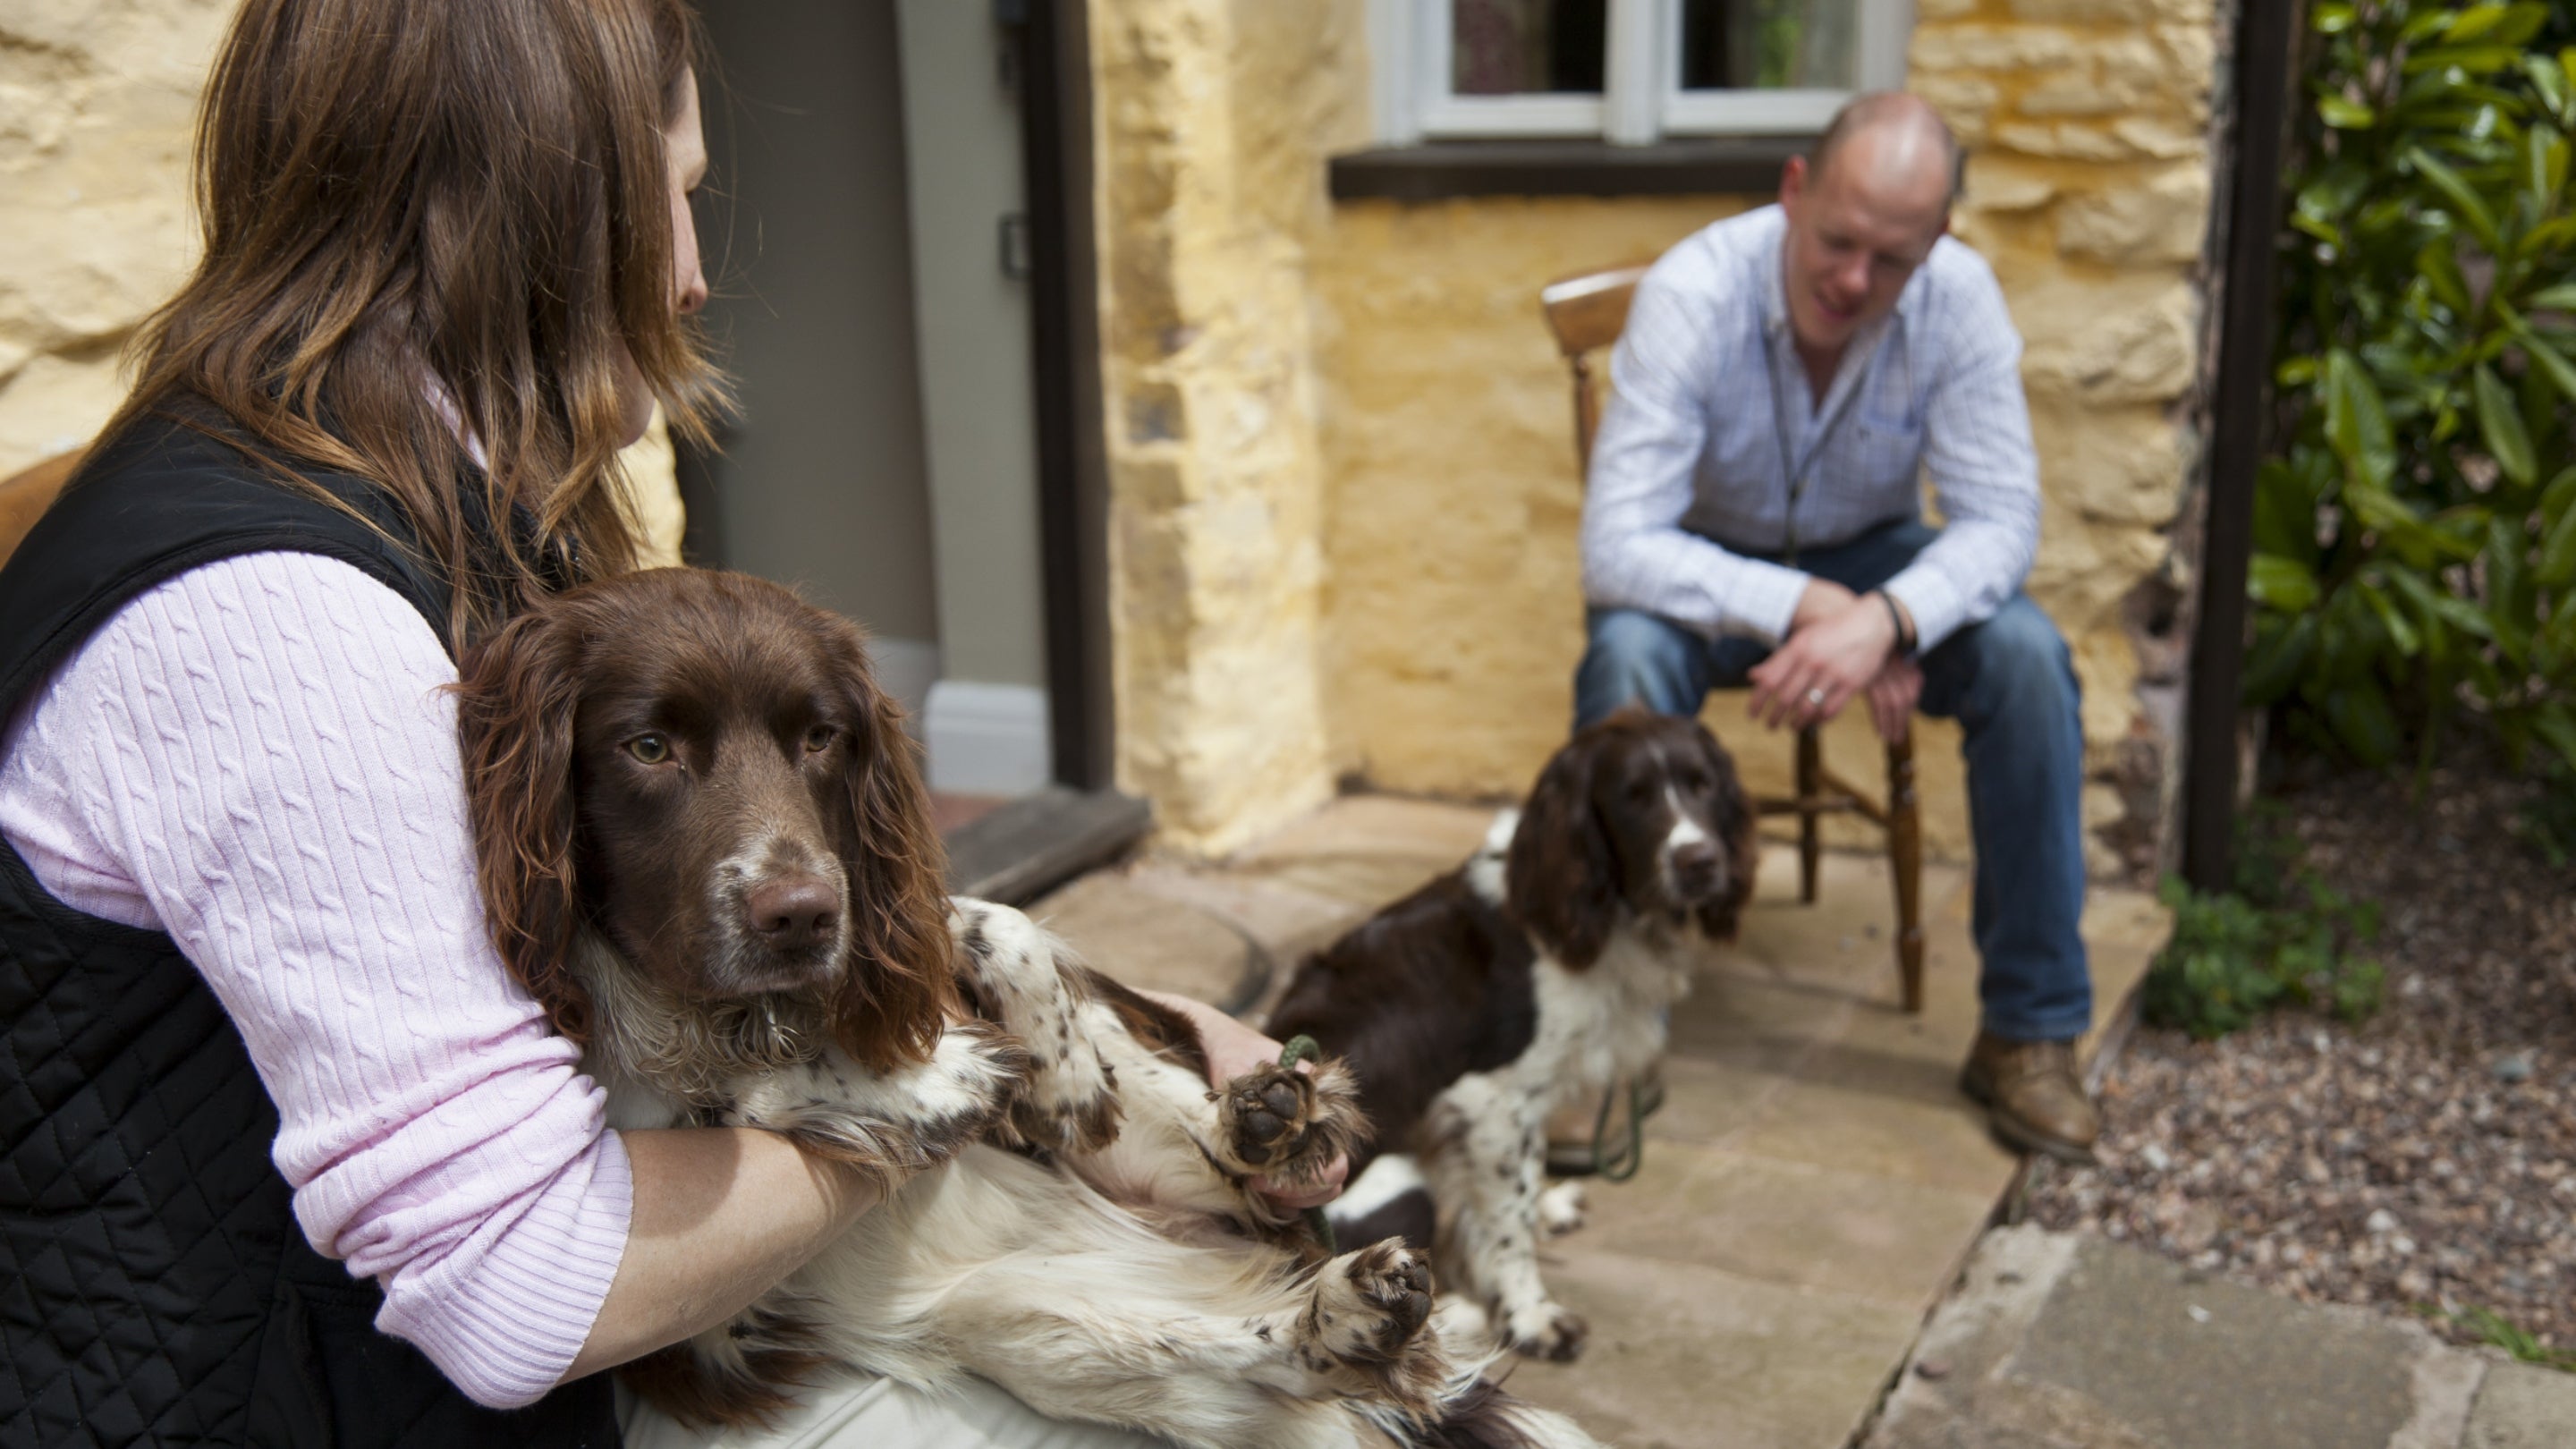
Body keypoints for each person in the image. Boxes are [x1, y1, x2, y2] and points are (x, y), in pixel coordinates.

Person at [0, 3, 1329, 1445]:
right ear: (540, 216)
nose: (693, 280)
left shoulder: (439, 502)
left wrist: (1134, 1039)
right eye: (676, 202)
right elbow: (528, 1290)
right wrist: (960, 1089)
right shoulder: (273, 616)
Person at [1572, 92, 2098, 1165]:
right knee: (1625, 656)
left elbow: (2003, 524)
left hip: (1875, 559)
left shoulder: (1960, 302)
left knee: (2031, 662)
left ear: (1940, 241)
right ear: (1794, 190)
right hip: (1706, 569)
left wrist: (1892, 619)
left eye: (1893, 260)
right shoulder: (1693, 291)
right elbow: (1619, 546)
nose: (1855, 281)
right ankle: (1597, 1024)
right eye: (1839, 242)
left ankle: (2029, 1033)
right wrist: (1816, 612)